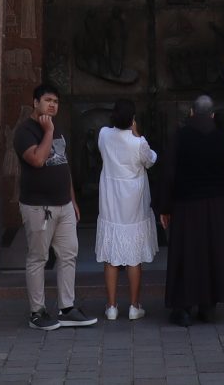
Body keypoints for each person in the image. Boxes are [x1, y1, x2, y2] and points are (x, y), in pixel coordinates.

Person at [14, 83, 94, 330]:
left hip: (63, 205)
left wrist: (73, 200)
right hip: (39, 207)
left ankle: (66, 308)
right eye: (48, 100)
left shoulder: (56, 129)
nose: (52, 105)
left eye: (56, 102)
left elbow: (62, 164)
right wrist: (47, 131)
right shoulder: (24, 131)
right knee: (38, 257)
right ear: (35, 102)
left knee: (69, 254)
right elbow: (37, 160)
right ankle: (37, 312)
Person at [158, 96, 224, 326]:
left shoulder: (180, 137)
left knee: (186, 253)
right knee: (212, 252)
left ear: (192, 112)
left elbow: (168, 174)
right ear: (212, 115)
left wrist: (164, 207)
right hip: (214, 205)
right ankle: (208, 306)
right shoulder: (221, 139)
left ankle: (182, 307)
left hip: (185, 205)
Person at [96, 100, 158, 320]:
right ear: (132, 119)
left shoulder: (103, 134)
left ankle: (111, 306)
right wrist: (138, 133)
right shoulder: (138, 142)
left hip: (110, 200)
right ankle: (134, 305)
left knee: (111, 257)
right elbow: (150, 160)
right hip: (133, 202)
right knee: (134, 258)